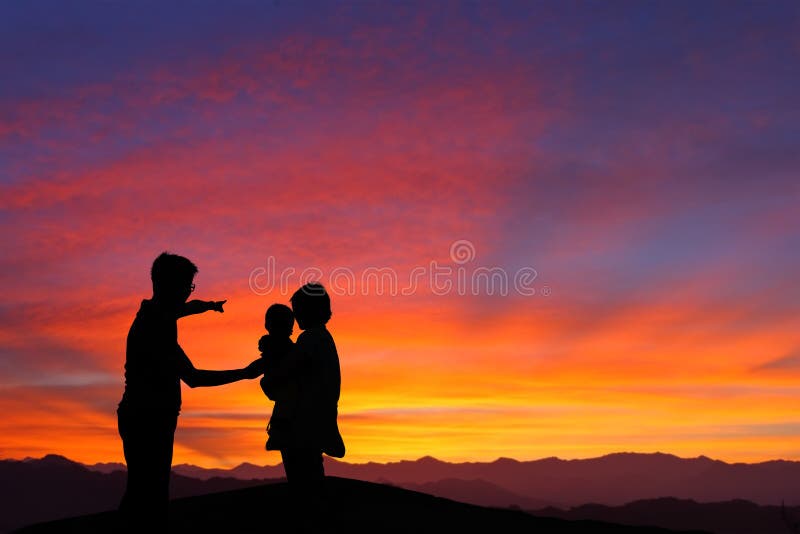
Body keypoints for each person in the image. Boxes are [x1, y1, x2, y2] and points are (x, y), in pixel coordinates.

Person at [117, 252, 262, 528]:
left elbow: (186, 308)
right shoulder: (156, 327)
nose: (188, 292)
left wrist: (208, 306)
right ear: (169, 285)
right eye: (186, 286)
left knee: (142, 490)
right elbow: (193, 377)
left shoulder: (156, 311)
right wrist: (244, 373)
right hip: (148, 420)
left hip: (144, 417)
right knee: (149, 494)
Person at [260, 282, 345, 532]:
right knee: (311, 482)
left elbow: (279, 378)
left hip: (302, 427)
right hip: (313, 424)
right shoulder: (323, 339)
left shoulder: (310, 340)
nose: (294, 317)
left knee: (304, 487)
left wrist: (267, 376)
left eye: (297, 310)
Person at [258, 303, 297, 451]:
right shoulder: (284, 349)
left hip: (288, 419)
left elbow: (274, 388)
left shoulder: (284, 351)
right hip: (288, 417)